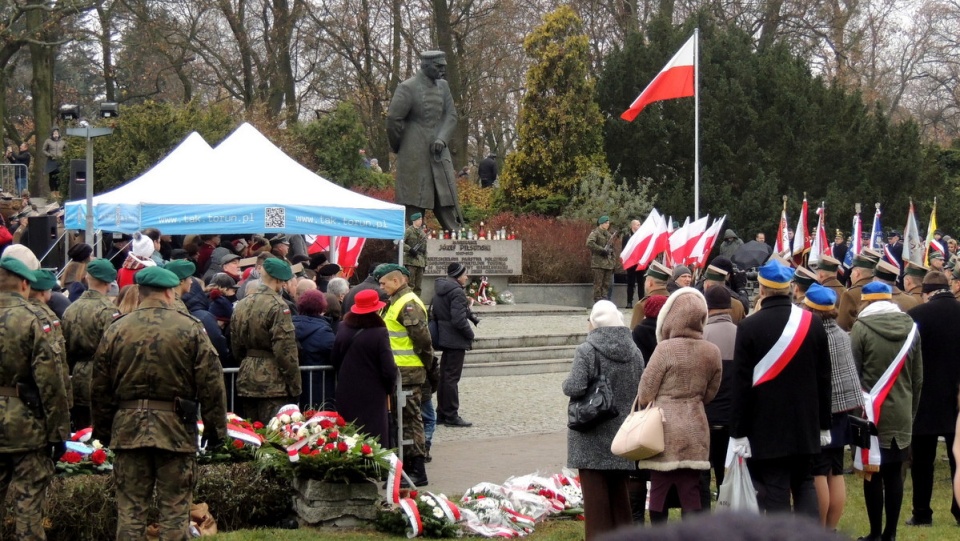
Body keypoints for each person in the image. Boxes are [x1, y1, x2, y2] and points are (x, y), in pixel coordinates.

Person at [91, 266, 227, 541]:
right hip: (174, 431)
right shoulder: (189, 328)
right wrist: (215, 431)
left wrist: (104, 430)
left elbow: (99, 388)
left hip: (128, 430)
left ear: (140, 293)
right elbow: (212, 383)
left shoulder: (117, 329)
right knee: (174, 511)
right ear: (169, 292)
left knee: (130, 511)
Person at [729, 259, 831, 517]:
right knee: (805, 483)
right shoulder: (813, 323)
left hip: (766, 425)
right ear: (790, 288)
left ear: (761, 289)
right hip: (805, 422)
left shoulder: (749, 326)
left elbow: (740, 384)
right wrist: (824, 424)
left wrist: (739, 432)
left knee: (775, 487)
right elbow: (824, 378)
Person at [0, 257, 70, 540]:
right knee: (28, 504)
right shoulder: (35, 318)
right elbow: (51, 379)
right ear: (26, 283)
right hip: (25, 424)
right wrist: (58, 432)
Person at [637, 288, 722, 522]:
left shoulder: (665, 349)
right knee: (691, 491)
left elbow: (645, 393)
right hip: (696, 425)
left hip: (664, 428)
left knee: (659, 491)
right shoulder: (711, 351)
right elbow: (711, 392)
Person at [562, 300, 643, 540]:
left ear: (595, 323)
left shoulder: (587, 350)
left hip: (591, 434)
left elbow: (575, 387)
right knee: (621, 501)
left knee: (596, 507)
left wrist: (564, 384)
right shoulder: (635, 351)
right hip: (622, 435)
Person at [850, 282, 922, 541]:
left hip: (870, 414)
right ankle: (890, 533)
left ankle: (875, 533)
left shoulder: (860, 328)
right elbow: (917, 378)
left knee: (872, 474)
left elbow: (853, 374)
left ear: (866, 301)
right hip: (902, 411)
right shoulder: (912, 328)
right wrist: (910, 415)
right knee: (894, 475)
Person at [801, 284, 863, 529]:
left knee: (818, 471)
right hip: (842, 411)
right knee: (835, 471)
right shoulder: (840, 334)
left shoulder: (812, 335)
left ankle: (819, 528)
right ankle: (831, 528)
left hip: (820, 412)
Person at [386, 50, 464, 231]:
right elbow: (393, 119)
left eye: (444, 67)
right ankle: (413, 241)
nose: (442, 71)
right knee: (415, 196)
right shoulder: (407, 87)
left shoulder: (444, 87)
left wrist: (442, 138)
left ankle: (455, 233)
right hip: (415, 150)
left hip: (439, 150)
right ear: (426, 66)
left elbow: (451, 115)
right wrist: (400, 146)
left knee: (444, 194)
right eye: (438, 67)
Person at [905, 271, 960, 527]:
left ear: (926, 292)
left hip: (924, 396)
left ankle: (922, 512)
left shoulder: (917, 315)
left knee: (922, 461)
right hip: (958, 397)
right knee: (958, 458)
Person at [377, 263, 437, 486]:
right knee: (401, 420)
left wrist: (429, 367)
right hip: (400, 370)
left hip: (409, 371)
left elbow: (422, 340)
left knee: (411, 421)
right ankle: (406, 468)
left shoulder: (407, 304)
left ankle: (417, 470)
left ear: (397, 280)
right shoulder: (395, 302)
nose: (381, 287)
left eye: (384, 283)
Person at [231, 258, 301, 423]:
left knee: (251, 436)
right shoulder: (278, 306)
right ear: (278, 280)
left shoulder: (241, 304)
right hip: (272, 382)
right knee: (273, 436)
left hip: (247, 377)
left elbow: (235, 344)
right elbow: (285, 350)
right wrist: (295, 385)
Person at [332, 289, 397, 446]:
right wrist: (389, 388)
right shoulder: (380, 332)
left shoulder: (343, 328)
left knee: (348, 436)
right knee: (374, 438)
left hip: (346, 391)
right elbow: (388, 367)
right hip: (373, 394)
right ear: (376, 309)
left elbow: (335, 358)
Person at [61, 258, 120, 429]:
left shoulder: (71, 308)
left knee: (81, 433)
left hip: (77, 376)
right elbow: (114, 350)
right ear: (109, 283)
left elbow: (64, 349)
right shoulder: (109, 311)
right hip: (102, 379)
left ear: (87, 278)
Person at [700, 286, 738, 510]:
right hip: (732, 415)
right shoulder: (742, 333)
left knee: (704, 467)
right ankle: (727, 502)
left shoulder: (701, 335)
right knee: (727, 467)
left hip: (706, 413)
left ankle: (703, 506)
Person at [433, 262, 477, 427]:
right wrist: (470, 334)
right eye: (465, 274)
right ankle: (451, 415)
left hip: (444, 337)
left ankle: (442, 413)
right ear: (458, 275)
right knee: (451, 378)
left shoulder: (440, 289)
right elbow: (458, 320)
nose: (467, 277)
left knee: (445, 376)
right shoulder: (457, 292)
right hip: (455, 339)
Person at [293, 289, 335, 410]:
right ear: (322, 308)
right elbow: (336, 355)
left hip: (295, 385)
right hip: (318, 387)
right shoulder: (324, 331)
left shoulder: (289, 326)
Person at [838, 250, 880, 331]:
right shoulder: (882, 290)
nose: (850, 275)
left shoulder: (850, 294)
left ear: (857, 273)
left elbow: (842, 325)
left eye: (851, 272)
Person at [586, 215, 617, 304]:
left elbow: (612, 250)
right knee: (598, 285)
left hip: (608, 264)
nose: (608, 225)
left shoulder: (609, 234)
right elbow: (589, 243)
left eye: (608, 223)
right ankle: (597, 303)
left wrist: (613, 263)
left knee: (606, 285)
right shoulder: (595, 233)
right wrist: (601, 250)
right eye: (606, 223)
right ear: (601, 224)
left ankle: (604, 302)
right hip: (598, 264)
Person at [630, 262, 671, 328]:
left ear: (650, 283)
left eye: (645, 280)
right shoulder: (675, 301)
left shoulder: (642, 304)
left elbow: (634, 332)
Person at [403, 212, 428, 297]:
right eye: (419, 219)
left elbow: (425, 250)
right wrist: (410, 249)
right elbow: (401, 242)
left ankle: (417, 303)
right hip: (410, 261)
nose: (420, 221)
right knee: (410, 284)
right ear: (414, 221)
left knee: (418, 287)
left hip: (420, 262)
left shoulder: (423, 233)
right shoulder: (409, 231)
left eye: (421, 219)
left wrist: (425, 263)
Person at [624, 219, 642, 308]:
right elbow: (624, 250)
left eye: (640, 224)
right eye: (638, 225)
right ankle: (629, 302)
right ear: (633, 226)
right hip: (631, 264)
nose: (639, 226)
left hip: (640, 263)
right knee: (630, 283)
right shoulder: (627, 237)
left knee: (641, 283)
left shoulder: (642, 236)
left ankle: (641, 301)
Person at [42, 128, 65, 195]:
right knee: (52, 177)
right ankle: (52, 192)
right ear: (52, 134)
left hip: (60, 161)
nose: (55, 134)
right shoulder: (48, 141)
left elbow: (67, 149)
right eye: (54, 133)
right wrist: (49, 155)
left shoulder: (63, 141)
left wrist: (63, 156)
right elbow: (43, 150)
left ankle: (58, 192)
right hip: (51, 161)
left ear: (59, 134)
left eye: (57, 133)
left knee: (59, 177)